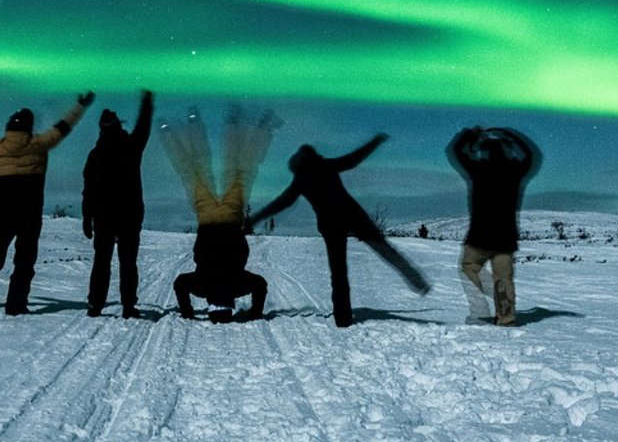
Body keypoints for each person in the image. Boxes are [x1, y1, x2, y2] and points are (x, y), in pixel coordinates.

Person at [247, 134, 429, 327]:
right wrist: (374, 143)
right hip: (353, 216)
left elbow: (281, 203)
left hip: (330, 225)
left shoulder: (301, 179)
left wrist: (255, 218)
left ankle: (343, 319)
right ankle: (415, 279)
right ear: (312, 156)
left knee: (339, 272)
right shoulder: (325, 165)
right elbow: (353, 159)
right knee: (384, 249)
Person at [0, 91, 93, 315]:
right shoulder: (40, 144)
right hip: (30, 216)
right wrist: (80, 106)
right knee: (24, 262)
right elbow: (64, 126)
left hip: (5, 215)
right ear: (29, 126)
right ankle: (15, 304)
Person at [163, 106, 275, 322]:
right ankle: (179, 127)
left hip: (231, 219)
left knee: (241, 170)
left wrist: (255, 312)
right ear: (211, 305)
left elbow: (260, 284)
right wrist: (187, 312)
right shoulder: (201, 287)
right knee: (192, 171)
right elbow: (180, 284)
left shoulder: (238, 285)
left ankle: (254, 126)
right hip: (207, 218)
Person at [445, 125, 542, 326]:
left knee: (469, 267)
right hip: (506, 238)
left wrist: (471, 134)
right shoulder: (515, 172)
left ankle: (484, 308)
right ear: (507, 151)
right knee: (504, 279)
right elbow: (533, 155)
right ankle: (506, 318)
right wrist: (510, 133)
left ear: (484, 152)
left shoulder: (478, 170)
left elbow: (453, 150)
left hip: (479, 235)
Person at [81, 89, 154, 318]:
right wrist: (147, 102)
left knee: (102, 261)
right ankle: (128, 305)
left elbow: (88, 190)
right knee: (128, 262)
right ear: (117, 126)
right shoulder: (131, 146)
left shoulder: (95, 154)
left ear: (101, 129)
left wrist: (87, 217)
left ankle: (95, 304)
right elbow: (143, 127)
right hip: (130, 214)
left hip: (104, 216)